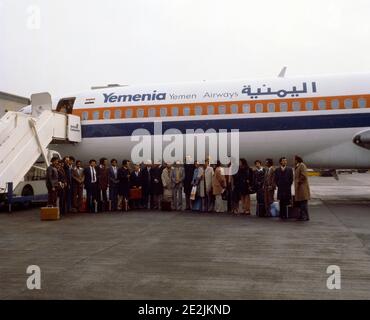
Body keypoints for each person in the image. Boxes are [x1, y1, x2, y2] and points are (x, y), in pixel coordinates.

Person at [294, 155, 311, 221]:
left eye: (294, 160)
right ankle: (301, 216)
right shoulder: (298, 166)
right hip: (299, 188)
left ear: (297, 160)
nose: (294, 161)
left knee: (303, 203)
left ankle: (305, 217)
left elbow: (304, 176)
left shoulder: (302, 165)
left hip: (302, 188)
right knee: (301, 203)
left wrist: (298, 181)